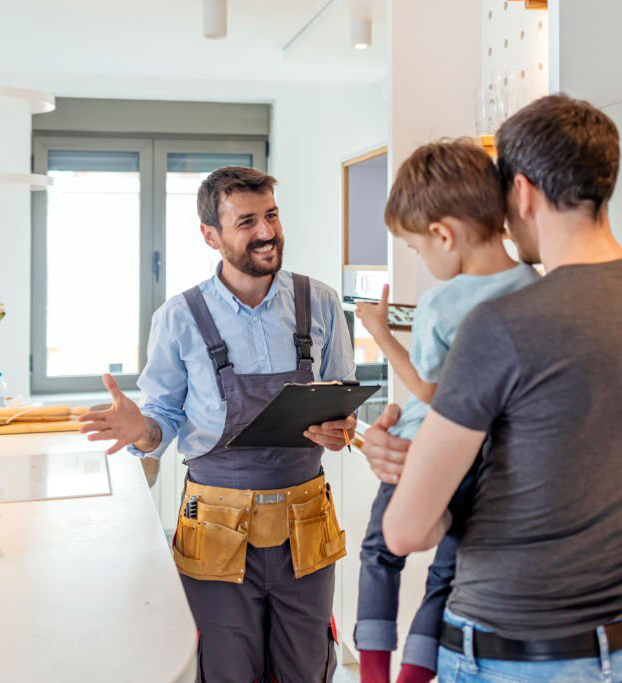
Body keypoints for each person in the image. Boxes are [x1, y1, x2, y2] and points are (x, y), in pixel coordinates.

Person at [365, 94, 622, 682]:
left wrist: (402, 466)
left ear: (525, 192)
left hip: (510, 648)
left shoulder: (502, 327)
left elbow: (407, 531)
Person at [79, 166, 356, 682]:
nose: (267, 232)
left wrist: (341, 428)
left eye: (271, 215)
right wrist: (141, 428)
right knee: (226, 670)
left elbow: (341, 398)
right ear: (210, 235)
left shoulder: (319, 301)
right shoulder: (179, 317)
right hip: (215, 528)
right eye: (247, 221)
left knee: (307, 668)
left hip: (306, 524)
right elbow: (161, 418)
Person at [353, 140, 539, 683]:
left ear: (442, 234)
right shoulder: (533, 284)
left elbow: (432, 392)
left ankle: (372, 675)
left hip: (422, 450)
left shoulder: (442, 298)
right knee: (447, 572)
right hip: (488, 463)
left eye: (414, 248)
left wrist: (382, 336)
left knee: (380, 551)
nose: (421, 260)